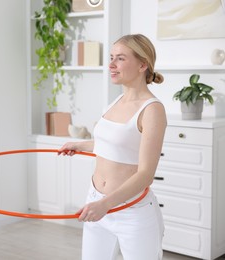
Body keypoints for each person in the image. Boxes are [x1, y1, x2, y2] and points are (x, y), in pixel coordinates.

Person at [58, 34, 167, 260]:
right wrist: (79, 144)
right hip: (96, 201)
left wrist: (105, 204)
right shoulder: (116, 101)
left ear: (142, 64)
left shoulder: (152, 109)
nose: (111, 65)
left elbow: (146, 174)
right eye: (111, 57)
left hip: (131, 211)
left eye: (120, 58)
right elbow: (113, 145)